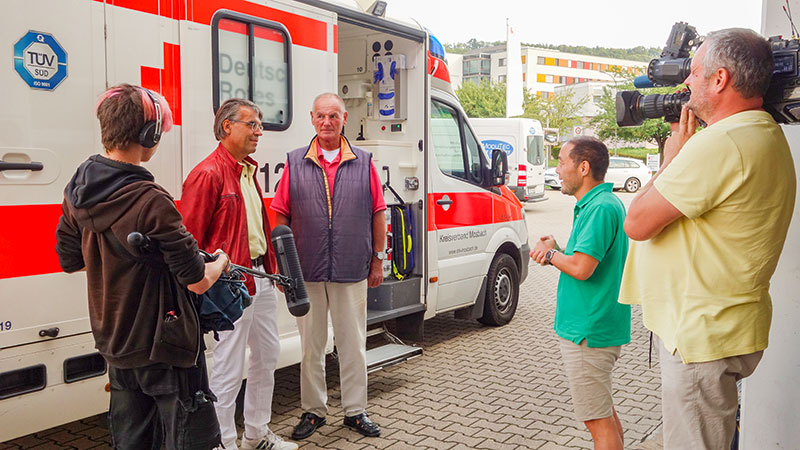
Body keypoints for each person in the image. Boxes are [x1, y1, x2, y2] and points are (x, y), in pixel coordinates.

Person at [620, 28, 796, 449]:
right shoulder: (763, 133)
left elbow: (637, 223)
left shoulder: (723, 142)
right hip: (722, 329)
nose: (685, 84)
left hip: (702, 338)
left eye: (694, 72)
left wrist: (671, 159)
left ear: (719, 80)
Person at [55, 84, 228, 450]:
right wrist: (221, 262)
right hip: (163, 347)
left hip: (114, 341)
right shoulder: (152, 202)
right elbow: (197, 281)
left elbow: (70, 261)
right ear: (149, 134)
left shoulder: (75, 194)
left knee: (132, 442)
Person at [181, 99, 297, 450]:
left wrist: (272, 270)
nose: (259, 131)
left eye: (260, 124)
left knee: (267, 357)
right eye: (252, 124)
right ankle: (223, 442)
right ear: (227, 126)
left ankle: (257, 434)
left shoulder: (246, 169)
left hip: (259, 277)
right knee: (229, 368)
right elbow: (190, 238)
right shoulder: (208, 173)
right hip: (230, 287)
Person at [270, 92, 386, 440]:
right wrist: (284, 266)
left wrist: (378, 260)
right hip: (306, 270)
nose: (327, 122)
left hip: (352, 268)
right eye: (321, 116)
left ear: (344, 119)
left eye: (333, 116)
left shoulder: (363, 162)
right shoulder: (295, 161)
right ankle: (313, 411)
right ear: (311, 118)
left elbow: (378, 213)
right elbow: (279, 214)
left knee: (353, 344)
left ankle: (355, 411)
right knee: (312, 347)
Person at [530, 137, 630, 450]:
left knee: (597, 422)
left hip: (588, 331)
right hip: (594, 327)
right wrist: (560, 249)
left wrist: (549, 254)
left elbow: (582, 268)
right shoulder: (600, 204)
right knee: (603, 414)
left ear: (583, 167)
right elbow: (584, 259)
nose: (556, 170)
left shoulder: (599, 208)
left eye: (561, 161)